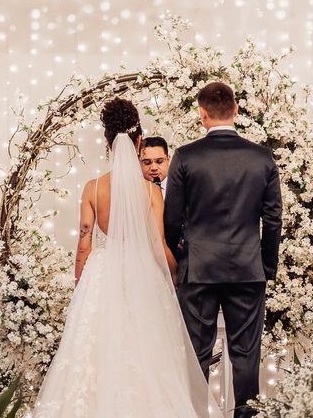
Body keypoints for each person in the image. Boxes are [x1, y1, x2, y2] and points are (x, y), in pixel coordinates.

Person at [31, 98, 224, 418]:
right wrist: (177, 275)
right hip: (142, 276)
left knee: (93, 352)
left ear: (107, 142)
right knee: (145, 350)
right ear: (137, 142)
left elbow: (83, 242)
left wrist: (81, 283)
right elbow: (158, 245)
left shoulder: (92, 188)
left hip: (101, 274)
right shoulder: (149, 191)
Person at [164, 82, 282, 418]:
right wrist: (266, 265)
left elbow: (171, 220)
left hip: (199, 268)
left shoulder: (186, 156)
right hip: (247, 268)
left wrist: (184, 254)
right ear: (236, 110)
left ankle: (196, 415)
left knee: (198, 354)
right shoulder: (261, 157)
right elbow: (273, 219)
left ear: (202, 114)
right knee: (246, 354)